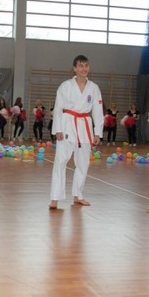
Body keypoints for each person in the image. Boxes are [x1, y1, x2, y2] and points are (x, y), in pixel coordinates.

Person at [49, 55, 104, 209]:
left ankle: (78, 195)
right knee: (61, 161)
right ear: (74, 68)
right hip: (67, 125)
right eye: (80, 66)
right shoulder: (65, 86)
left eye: (86, 65)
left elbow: (98, 111)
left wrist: (98, 132)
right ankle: (55, 198)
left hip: (85, 126)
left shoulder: (94, 88)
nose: (84, 69)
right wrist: (57, 129)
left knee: (83, 163)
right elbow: (58, 108)